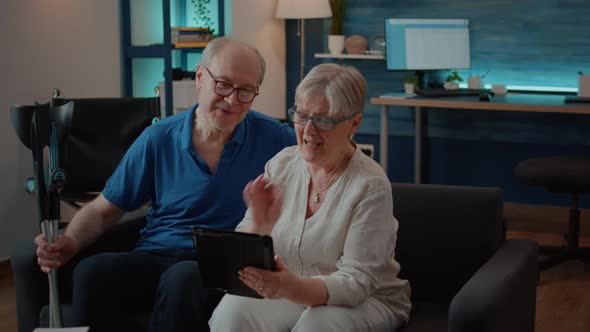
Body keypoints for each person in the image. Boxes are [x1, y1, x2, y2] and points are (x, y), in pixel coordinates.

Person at [27, 37, 296, 332]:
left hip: (224, 266)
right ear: (200, 77)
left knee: (182, 278)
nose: (232, 100)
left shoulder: (276, 139)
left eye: (245, 91)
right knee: (92, 272)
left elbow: (328, 159)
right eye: (223, 84)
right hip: (156, 254)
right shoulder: (158, 138)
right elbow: (105, 209)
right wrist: (69, 241)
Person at [209, 63, 411, 332]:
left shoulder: (369, 185)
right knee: (231, 312)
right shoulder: (281, 164)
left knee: (318, 325)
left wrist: (290, 287)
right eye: (302, 116)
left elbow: (357, 282)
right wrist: (258, 225)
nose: (308, 131)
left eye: (324, 120)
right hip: (292, 289)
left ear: (354, 123)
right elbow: (244, 264)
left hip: (368, 300)